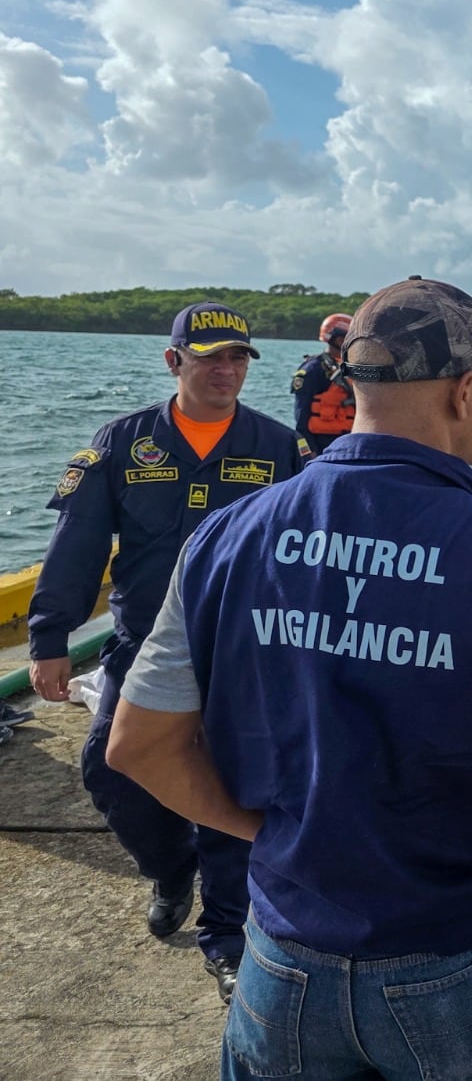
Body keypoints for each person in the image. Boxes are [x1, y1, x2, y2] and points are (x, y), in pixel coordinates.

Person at [106, 276, 472, 1081]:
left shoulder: (228, 537)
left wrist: (272, 835)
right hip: (459, 950)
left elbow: (138, 745)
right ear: (465, 390)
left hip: (284, 954)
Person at [28, 302, 306, 1003]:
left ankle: (227, 937)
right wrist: (50, 638)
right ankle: (170, 866)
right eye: (209, 357)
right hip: (146, 644)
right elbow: (77, 545)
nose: (226, 370)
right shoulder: (124, 443)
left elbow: (306, 552)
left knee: (234, 786)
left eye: (238, 357)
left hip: (243, 650)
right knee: (111, 769)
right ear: (173, 361)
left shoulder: (278, 446)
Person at [292, 312, 356, 456]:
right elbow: (301, 414)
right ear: (340, 340)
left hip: (348, 443)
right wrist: (310, 450)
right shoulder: (313, 370)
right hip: (321, 446)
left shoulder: (350, 369)